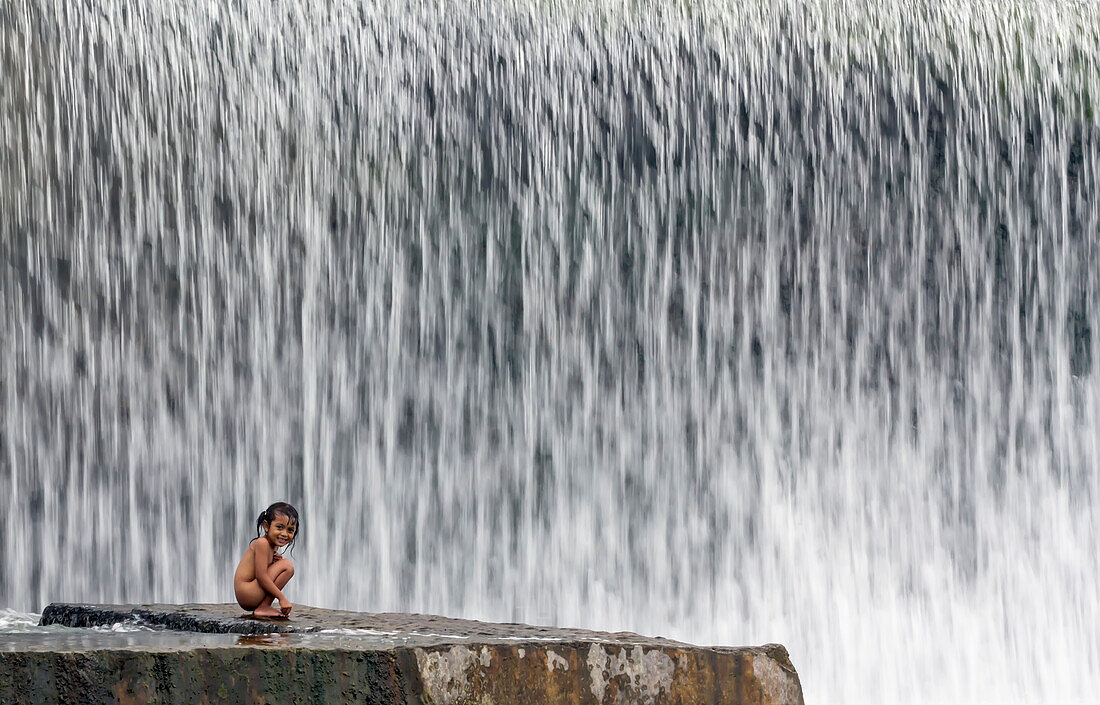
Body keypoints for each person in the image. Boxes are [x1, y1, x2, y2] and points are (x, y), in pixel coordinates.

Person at [234, 502, 299, 618]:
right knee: (287, 566)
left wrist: (273, 561)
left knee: (285, 565)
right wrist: (282, 598)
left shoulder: (272, 545)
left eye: (290, 530)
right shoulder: (262, 543)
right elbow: (261, 576)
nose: (284, 534)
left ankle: (264, 606)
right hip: (247, 593)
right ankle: (264, 606)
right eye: (279, 527)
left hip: (249, 594)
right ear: (266, 526)